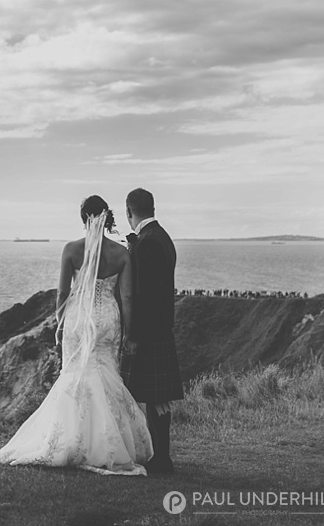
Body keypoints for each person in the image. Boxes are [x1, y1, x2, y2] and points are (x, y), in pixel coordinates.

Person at [0, 195, 153, 476]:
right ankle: (109, 444)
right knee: (106, 375)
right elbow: (127, 297)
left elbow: (62, 293)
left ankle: (72, 441)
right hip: (107, 320)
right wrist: (128, 332)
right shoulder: (121, 253)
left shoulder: (71, 250)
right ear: (107, 217)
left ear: (83, 219)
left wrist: (60, 325)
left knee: (75, 377)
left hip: (79, 319)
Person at [120, 188, 183, 474]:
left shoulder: (148, 242)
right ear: (153, 208)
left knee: (156, 398)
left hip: (152, 331)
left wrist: (135, 336)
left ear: (129, 211)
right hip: (160, 329)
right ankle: (160, 456)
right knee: (158, 399)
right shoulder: (162, 237)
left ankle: (162, 459)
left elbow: (147, 296)